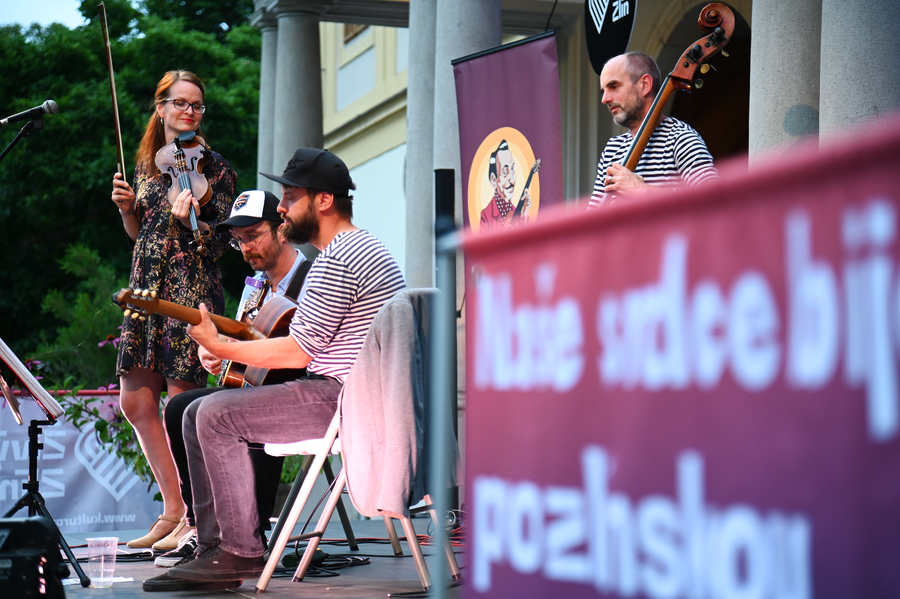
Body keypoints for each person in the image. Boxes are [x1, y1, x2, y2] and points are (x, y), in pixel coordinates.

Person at [164, 148, 405, 587]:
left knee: (214, 413)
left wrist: (219, 344)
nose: (281, 207)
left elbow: (297, 353)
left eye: (290, 197)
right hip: (357, 393)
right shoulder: (363, 247)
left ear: (323, 201)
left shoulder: (338, 258)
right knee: (197, 409)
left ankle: (239, 552)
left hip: (344, 399)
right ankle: (212, 547)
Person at [144, 190, 313, 589]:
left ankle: (250, 531)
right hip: (259, 385)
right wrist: (218, 353)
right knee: (179, 407)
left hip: (303, 393)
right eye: (238, 241)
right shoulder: (256, 287)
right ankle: (205, 531)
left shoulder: (311, 279)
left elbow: (303, 352)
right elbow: (243, 349)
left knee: (239, 403)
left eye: (253, 236)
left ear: (282, 230)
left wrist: (232, 350)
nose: (246, 248)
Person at [110, 70, 236, 550]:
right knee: (136, 402)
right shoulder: (147, 165)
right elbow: (139, 235)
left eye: (197, 105)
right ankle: (173, 509)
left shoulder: (215, 169)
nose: (189, 111)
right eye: (180, 103)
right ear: (160, 107)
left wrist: (192, 224)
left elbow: (222, 243)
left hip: (189, 291)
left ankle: (199, 521)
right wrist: (127, 211)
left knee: (183, 407)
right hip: (146, 288)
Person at [587, 52, 718, 208]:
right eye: (603, 91)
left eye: (614, 86)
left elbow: (714, 201)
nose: (605, 99)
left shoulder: (680, 138)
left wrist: (642, 191)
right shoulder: (612, 149)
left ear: (645, 85)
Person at [480, 140, 531, 230]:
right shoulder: (486, 216)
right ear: (493, 180)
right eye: (504, 172)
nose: (512, 180)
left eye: (512, 169)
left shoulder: (516, 212)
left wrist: (525, 213)